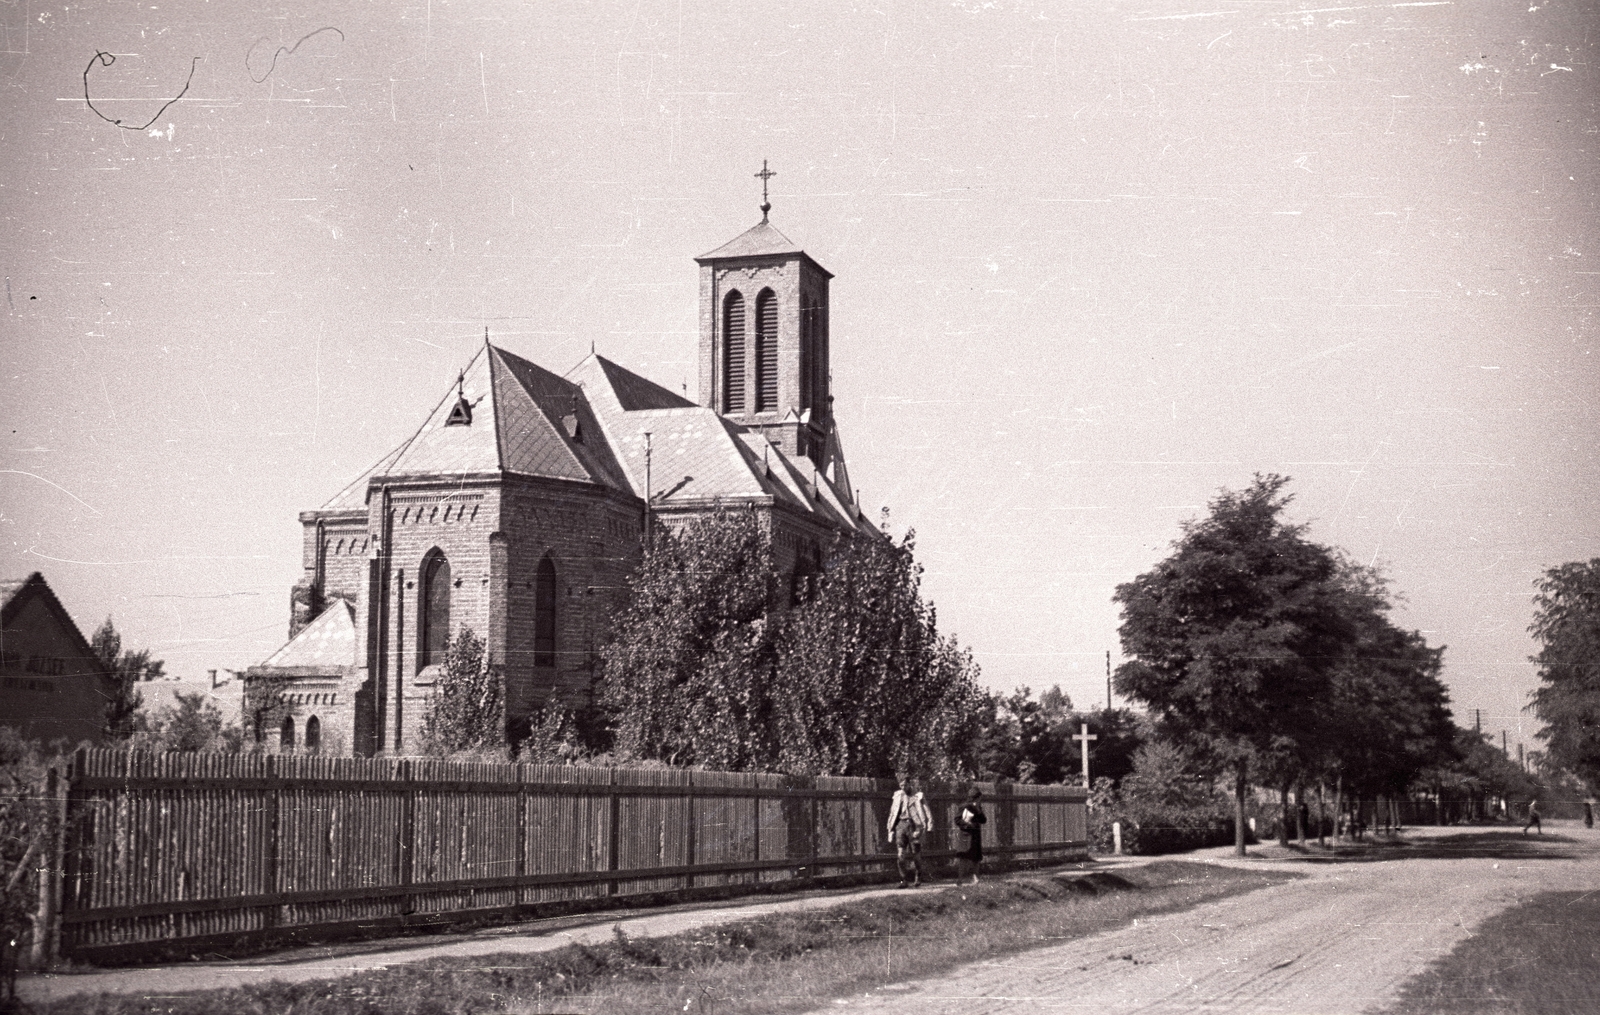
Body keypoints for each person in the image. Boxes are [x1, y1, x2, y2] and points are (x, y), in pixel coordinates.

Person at [886, 775, 932, 887]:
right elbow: (892, 813)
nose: (902, 788)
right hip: (900, 826)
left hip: (914, 826)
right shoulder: (897, 796)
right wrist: (890, 829)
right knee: (900, 854)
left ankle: (918, 877)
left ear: (909, 784)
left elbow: (927, 811)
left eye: (905, 785)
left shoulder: (917, 796)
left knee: (916, 855)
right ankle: (903, 880)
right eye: (901, 785)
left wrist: (929, 825)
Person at [955, 787, 987, 885]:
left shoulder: (978, 807)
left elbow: (983, 820)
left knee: (976, 857)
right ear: (976, 797)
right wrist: (968, 824)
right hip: (965, 835)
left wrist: (979, 811)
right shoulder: (964, 806)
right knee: (963, 857)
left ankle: (976, 878)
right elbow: (957, 820)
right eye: (979, 798)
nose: (980, 800)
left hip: (975, 835)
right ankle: (960, 879)